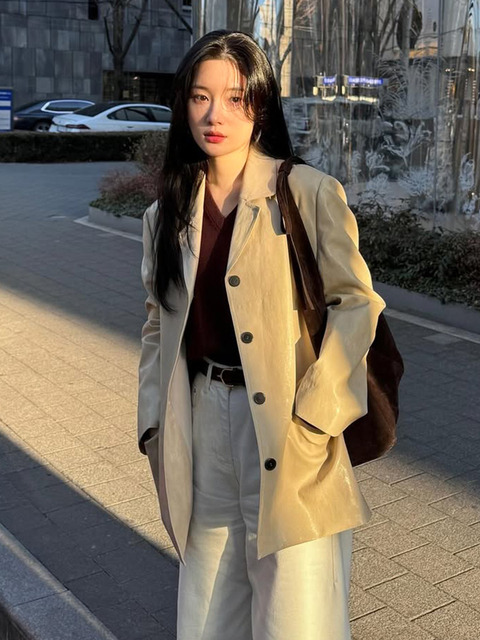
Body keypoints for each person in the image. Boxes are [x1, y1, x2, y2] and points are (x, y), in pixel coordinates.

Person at [138, 29, 385, 640]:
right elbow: (156, 320)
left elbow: (357, 304)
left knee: (294, 612)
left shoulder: (305, 192)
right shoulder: (166, 213)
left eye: (234, 98)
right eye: (200, 97)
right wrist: (153, 424)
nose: (214, 115)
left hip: (287, 422)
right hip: (201, 420)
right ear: (183, 104)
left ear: (261, 105)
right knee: (209, 606)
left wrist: (318, 413)